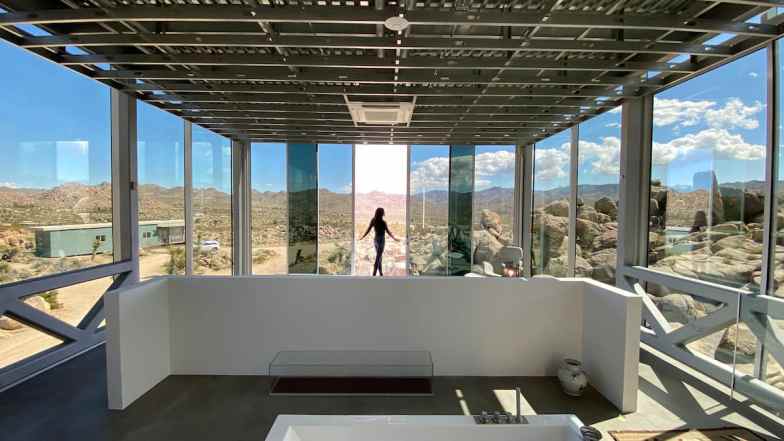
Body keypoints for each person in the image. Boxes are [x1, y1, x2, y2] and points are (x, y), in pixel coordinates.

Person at [360, 207, 399, 276]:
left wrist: (363, 236)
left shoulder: (373, 220)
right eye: (383, 212)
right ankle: (374, 273)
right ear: (382, 213)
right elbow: (388, 232)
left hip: (375, 240)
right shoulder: (383, 222)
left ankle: (381, 273)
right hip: (381, 240)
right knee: (378, 257)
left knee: (379, 256)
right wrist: (394, 238)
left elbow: (368, 229)